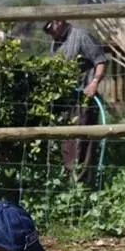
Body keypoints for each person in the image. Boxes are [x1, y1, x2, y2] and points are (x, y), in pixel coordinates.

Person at [44, 19, 108, 186]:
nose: (50, 32)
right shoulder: (56, 43)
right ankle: (69, 184)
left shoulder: (81, 36)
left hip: (84, 101)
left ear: (59, 21)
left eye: (50, 27)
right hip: (66, 102)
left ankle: (84, 186)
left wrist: (94, 82)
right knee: (67, 145)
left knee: (82, 146)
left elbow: (100, 61)